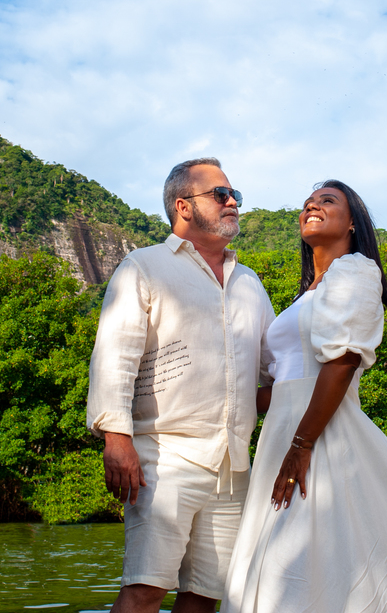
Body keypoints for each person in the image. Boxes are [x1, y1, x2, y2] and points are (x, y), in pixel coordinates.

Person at [221, 180, 387, 613]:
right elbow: (284, 386)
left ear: (353, 223)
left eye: (327, 201)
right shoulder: (305, 296)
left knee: (309, 567)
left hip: (321, 437)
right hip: (282, 437)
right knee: (277, 566)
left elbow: (342, 362)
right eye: (308, 202)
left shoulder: (355, 271)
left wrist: (301, 445)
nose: (312, 206)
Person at [87, 158, 276, 613]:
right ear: (183, 206)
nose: (232, 203)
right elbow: (115, 356)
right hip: (163, 455)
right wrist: (117, 439)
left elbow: (273, 371)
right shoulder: (144, 266)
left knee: (205, 596)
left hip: (233, 465)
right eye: (220, 194)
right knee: (146, 589)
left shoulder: (249, 282)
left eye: (235, 195)